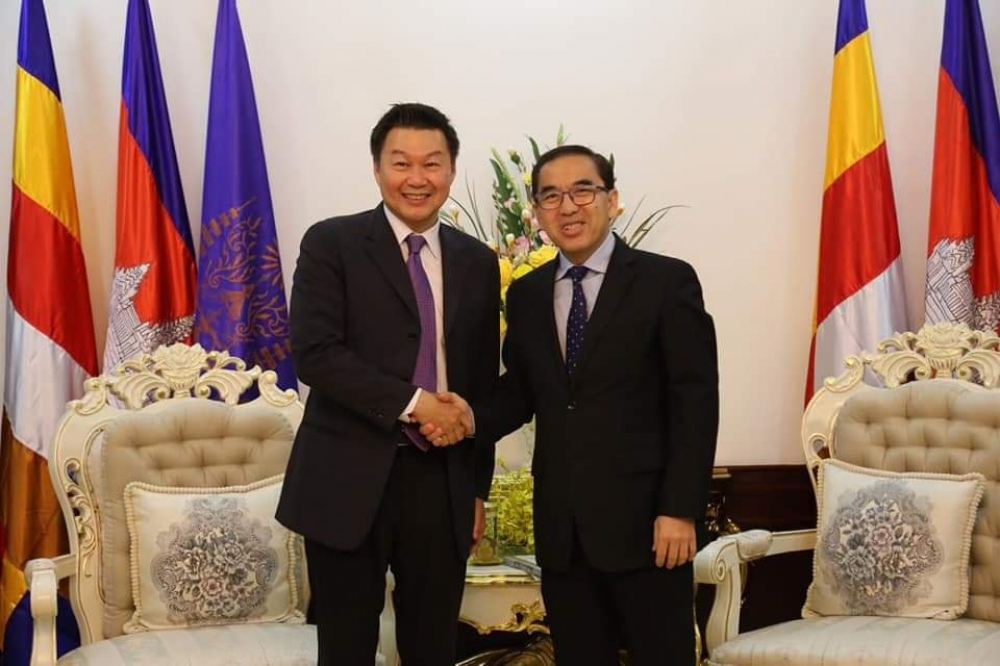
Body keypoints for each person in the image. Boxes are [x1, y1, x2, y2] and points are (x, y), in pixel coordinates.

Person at [425, 145, 719, 665]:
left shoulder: (665, 281)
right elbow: (522, 390)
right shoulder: (528, 293)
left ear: (612, 199)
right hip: (563, 531)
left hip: (650, 527)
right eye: (551, 196)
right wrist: (466, 416)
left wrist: (679, 509)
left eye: (583, 191)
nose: (568, 207)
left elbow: (694, 402)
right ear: (537, 212)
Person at [275, 102, 500, 666]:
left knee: (433, 647)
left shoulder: (477, 261)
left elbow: (479, 383)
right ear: (377, 169)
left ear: (451, 170)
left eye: (432, 163)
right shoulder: (332, 244)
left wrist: (476, 489)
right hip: (346, 479)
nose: (417, 178)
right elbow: (316, 355)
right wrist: (415, 402)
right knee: (347, 648)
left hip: (442, 481)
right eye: (402, 163)